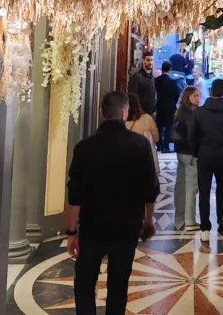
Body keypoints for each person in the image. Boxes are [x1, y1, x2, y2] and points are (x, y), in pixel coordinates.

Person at [65, 91, 159, 315]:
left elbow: (75, 195)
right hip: (126, 226)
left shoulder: (84, 147)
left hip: (92, 227)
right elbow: (150, 188)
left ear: (101, 113)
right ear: (124, 112)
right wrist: (148, 220)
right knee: (119, 283)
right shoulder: (140, 145)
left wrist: (71, 232)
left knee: (85, 281)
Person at [188, 78, 223, 244]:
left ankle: (204, 228)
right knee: (222, 190)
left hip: (204, 155)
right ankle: (221, 223)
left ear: (211, 92)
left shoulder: (199, 112)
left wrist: (196, 152)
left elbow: (191, 136)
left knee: (204, 192)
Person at [172, 85, 201, 230]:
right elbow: (192, 136)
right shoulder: (191, 115)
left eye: (198, 95)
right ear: (187, 97)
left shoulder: (180, 112)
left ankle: (180, 215)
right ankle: (190, 220)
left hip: (180, 153)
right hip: (190, 153)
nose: (198, 98)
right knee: (191, 186)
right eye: (195, 95)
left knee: (181, 184)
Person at [154, 61, 183, 152]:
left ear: (162, 68)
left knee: (159, 126)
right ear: (170, 69)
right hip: (170, 108)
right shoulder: (172, 82)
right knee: (168, 127)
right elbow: (177, 94)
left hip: (159, 107)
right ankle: (165, 147)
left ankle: (158, 145)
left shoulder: (156, 80)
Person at [125, 93, 160, 164]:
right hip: (144, 156)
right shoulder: (147, 118)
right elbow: (156, 138)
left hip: (127, 156)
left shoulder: (121, 121)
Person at [127, 50, 157, 120]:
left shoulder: (152, 77)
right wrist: (140, 112)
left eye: (152, 60)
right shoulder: (136, 77)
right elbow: (133, 97)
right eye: (148, 60)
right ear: (143, 61)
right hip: (140, 115)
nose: (150, 62)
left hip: (151, 113)